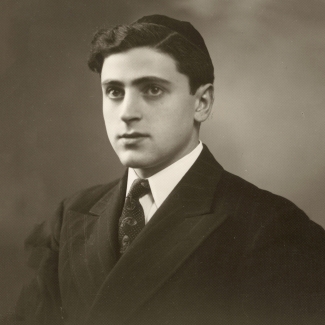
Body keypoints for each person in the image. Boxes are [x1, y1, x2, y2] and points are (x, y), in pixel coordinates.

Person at [7, 14, 325, 325]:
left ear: (202, 102)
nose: (127, 113)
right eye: (114, 91)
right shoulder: (71, 217)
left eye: (153, 90)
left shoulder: (272, 227)